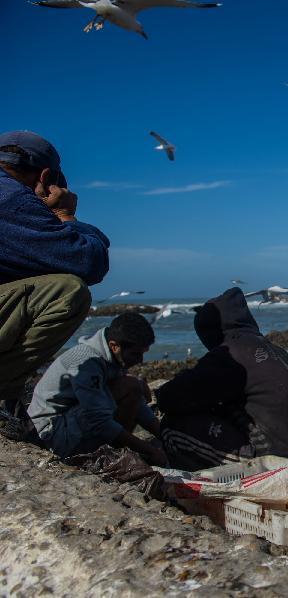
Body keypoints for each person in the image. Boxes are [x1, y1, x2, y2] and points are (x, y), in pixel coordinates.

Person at [0, 131, 110, 428]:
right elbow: (88, 261)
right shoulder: (12, 197)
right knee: (67, 291)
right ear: (46, 176)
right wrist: (64, 215)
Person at [155, 288, 288, 471]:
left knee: (172, 427)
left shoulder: (230, 356)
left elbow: (170, 398)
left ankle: (194, 487)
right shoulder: (273, 349)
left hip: (276, 458)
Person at [27, 313, 166, 465]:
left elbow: (136, 402)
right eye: (136, 354)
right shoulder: (86, 362)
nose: (140, 360)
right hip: (50, 435)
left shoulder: (113, 357)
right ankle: (113, 451)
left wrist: (164, 436)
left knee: (132, 387)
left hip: (70, 423)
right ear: (114, 346)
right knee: (130, 385)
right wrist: (148, 449)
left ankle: (117, 448)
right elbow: (99, 420)